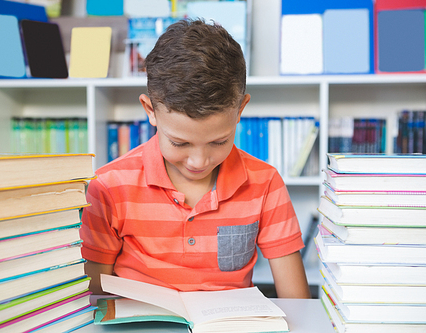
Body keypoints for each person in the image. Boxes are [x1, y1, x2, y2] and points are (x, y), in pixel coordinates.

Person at [79, 19, 311, 298]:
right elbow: (93, 296)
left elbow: (296, 302)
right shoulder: (108, 186)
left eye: (218, 141)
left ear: (240, 110)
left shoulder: (265, 183)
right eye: (180, 143)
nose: (199, 161)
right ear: (150, 110)